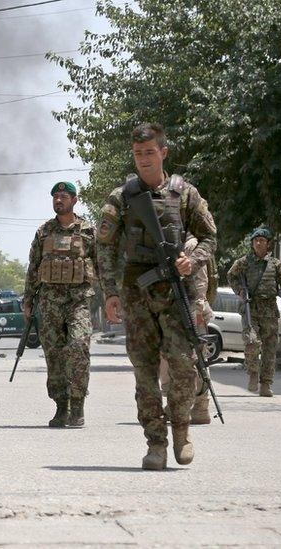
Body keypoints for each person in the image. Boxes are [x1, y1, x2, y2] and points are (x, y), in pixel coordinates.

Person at [96, 122, 217, 470]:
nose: (144, 160)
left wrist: (189, 261)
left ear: (163, 152)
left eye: (150, 153)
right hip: (137, 293)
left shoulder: (186, 194)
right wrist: (111, 293)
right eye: (138, 154)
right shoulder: (122, 198)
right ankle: (156, 444)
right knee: (144, 372)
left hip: (175, 293)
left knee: (183, 366)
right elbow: (105, 249)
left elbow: (210, 237)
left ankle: (181, 428)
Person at [22, 181, 97, 428]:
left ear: (74, 200)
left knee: (78, 347)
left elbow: (102, 264)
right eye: (55, 196)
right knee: (53, 354)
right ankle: (60, 407)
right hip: (50, 302)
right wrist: (28, 300)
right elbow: (33, 267)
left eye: (63, 196)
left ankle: (77, 406)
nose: (58, 200)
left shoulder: (88, 231)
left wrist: (114, 297)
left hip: (78, 301)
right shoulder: (44, 231)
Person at [227, 227, 281, 397]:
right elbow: (231, 276)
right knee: (251, 342)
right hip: (251, 309)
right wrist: (240, 291)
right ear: (252, 243)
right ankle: (253, 373)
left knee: (270, 348)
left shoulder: (275, 265)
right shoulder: (243, 262)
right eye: (256, 240)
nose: (259, 243)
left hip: (270, 310)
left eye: (262, 241)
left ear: (268, 244)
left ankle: (266, 384)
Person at [159, 235, 213, 425]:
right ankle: (174, 403)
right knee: (167, 357)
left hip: (191, 309)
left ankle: (200, 405)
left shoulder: (191, 244)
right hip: (170, 308)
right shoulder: (163, 238)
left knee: (196, 358)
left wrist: (198, 310)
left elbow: (201, 280)